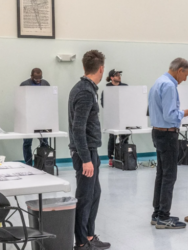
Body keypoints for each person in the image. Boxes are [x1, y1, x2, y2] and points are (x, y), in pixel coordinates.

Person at [148, 58, 188, 229]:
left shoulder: (159, 81)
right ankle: (164, 217)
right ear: (180, 70)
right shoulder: (170, 86)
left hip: (158, 132)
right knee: (169, 176)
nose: (185, 79)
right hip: (167, 135)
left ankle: (157, 213)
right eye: (185, 75)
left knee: (161, 175)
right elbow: (170, 115)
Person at [68, 50, 110, 250]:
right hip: (85, 153)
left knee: (94, 193)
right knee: (85, 197)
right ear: (101, 69)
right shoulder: (85, 91)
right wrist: (86, 159)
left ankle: (90, 236)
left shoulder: (87, 88)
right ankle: (82, 242)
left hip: (90, 150)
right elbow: (78, 128)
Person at [20, 68, 49, 166]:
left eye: (40, 77)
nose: (38, 80)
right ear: (31, 76)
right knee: (27, 143)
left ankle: (44, 164)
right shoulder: (24, 85)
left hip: (42, 118)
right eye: (36, 78)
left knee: (44, 142)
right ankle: (28, 164)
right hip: (28, 118)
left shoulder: (46, 84)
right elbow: (20, 102)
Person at [100, 69, 129, 167]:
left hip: (124, 116)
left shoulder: (125, 87)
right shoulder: (107, 89)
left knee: (125, 137)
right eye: (116, 75)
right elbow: (104, 103)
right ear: (112, 78)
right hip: (112, 117)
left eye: (119, 75)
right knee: (112, 138)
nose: (119, 76)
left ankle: (124, 156)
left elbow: (129, 100)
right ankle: (111, 158)